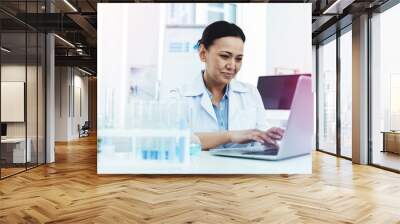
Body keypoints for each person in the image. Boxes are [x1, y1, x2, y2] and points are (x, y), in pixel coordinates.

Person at [170, 21, 284, 150]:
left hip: (243, 169)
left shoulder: (250, 93)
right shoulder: (179, 96)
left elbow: (261, 137)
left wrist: (270, 137)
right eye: (225, 56)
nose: (232, 66)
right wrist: (230, 136)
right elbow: (175, 140)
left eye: (238, 59)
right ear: (203, 53)